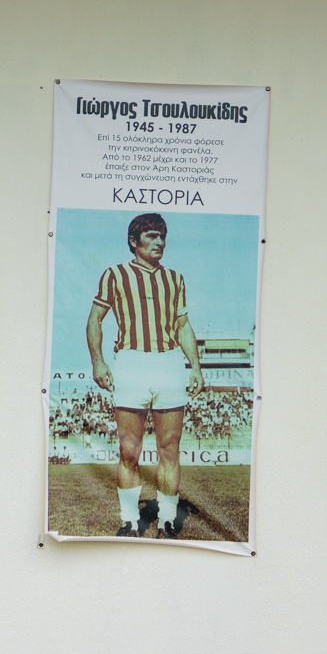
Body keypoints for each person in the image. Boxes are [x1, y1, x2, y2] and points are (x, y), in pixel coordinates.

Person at [85, 213, 203, 538]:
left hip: (168, 363)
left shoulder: (175, 279)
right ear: (134, 241)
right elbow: (95, 319)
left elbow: (182, 325)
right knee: (129, 449)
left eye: (162, 237)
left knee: (169, 447)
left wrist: (195, 365)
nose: (159, 242)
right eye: (151, 236)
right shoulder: (115, 275)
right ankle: (129, 520)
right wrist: (98, 362)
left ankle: (167, 520)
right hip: (131, 362)